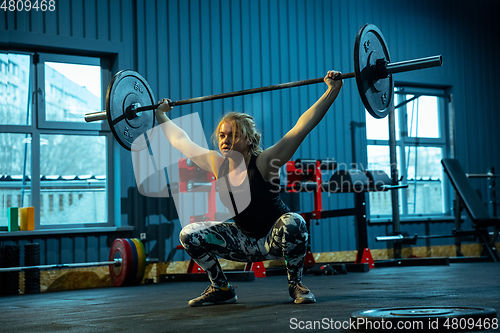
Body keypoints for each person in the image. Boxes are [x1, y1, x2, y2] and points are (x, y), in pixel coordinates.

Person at [155, 70, 343, 307]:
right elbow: (180, 140)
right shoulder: (217, 164)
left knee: (295, 221)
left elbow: (301, 127)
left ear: (249, 140)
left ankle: (296, 284)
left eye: (233, 135)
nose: (225, 140)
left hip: (274, 239)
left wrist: (332, 90)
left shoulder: (264, 162)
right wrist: (160, 115)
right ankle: (221, 288)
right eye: (222, 135)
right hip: (243, 240)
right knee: (189, 234)